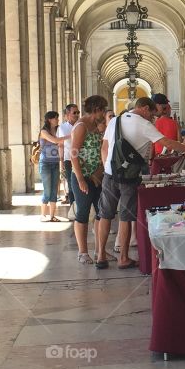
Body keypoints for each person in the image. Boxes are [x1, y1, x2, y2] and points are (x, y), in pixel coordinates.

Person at [95, 97, 185, 269]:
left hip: (110, 173)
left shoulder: (115, 120)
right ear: (145, 108)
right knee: (125, 216)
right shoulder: (143, 124)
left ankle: (100, 255)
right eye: (151, 114)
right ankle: (123, 257)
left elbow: (104, 147)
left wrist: (110, 166)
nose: (152, 118)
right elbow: (167, 142)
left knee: (105, 214)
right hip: (128, 176)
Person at [70, 95, 109, 264]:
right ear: (96, 109)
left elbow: (99, 149)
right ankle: (83, 252)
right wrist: (81, 179)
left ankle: (100, 251)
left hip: (96, 177)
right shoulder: (81, 126)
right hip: (82, 177)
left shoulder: (96, 126)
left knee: (101, 213)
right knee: (83, 213)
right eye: (103, 109)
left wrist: (98, 172)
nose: (104, 113)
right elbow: (74, 154)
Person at [37, 111, 62, 222]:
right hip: (45, 163)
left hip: (55, 163)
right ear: (49, 120)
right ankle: (43, 215)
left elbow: (60, 144)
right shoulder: (44, 131)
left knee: (54, 191)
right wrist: (71, 135)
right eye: (56, 118)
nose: (57, 120)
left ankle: (52, 216)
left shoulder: (58, 130)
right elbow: (55, 140)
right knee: (47, 189)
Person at [57, 103, 79, 200]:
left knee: (80, 181)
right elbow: (60, 144)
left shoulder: (81, 125)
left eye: (78, 112)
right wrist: (61, 161)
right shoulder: (61, 127)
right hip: (68, 159)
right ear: (67, 114)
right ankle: (73, 206)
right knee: (70, 183)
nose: (77, 114)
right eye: (74, 112)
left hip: (82, 158)